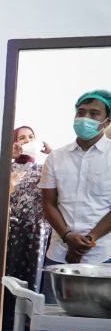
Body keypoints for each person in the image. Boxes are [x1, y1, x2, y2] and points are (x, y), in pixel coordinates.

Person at [41, 90, 111, 296]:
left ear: (107, 121)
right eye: (81, 112)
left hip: (102, 255)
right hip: (59, 254)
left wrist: (89, 240)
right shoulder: (56, 158)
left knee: (98, 315)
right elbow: (49, 203)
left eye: (94, 113)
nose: (85, 118)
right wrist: (68, 236)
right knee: (52, 312)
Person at [4, 126, 50, 331]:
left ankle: (33, 324)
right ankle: (8, 321)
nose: (27, 140)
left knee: (36, 275)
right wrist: (9, 157)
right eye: (21, 138)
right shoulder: (7, 168)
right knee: (12, 274)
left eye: (31, 137)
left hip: (38, 232)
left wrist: (51, 153)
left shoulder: (45, 169)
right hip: (14, 231)